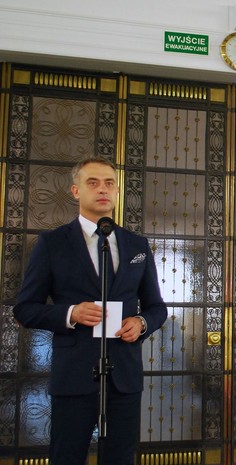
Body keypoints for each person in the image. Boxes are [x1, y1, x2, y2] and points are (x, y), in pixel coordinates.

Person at [13, 156, 168, 465]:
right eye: (93, 182)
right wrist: (70, 313)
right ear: (76, 191)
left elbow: (156, 308)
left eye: (109, 183)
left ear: (117, 191)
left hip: (124, 376)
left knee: (121, 459)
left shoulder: (137, 245)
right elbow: (25, 309)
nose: (102, 189)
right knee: (67, 457)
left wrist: (141, 323)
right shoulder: (52, 243)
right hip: (74, 375)